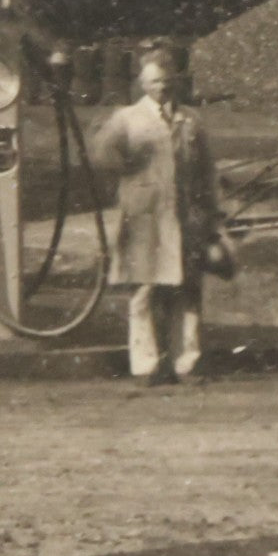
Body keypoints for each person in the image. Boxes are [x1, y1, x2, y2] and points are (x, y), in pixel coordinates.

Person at [93, 50, 220, 386]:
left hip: (184, 216)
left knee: (187, 290)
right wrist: (129, 169)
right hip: (144, 219)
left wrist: (211, 214)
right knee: (145, 291)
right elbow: (101, 153)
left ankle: (185, 363)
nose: (160, 88)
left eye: (165, 81)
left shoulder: (191, 120)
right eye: (152, 82)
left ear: (174, 82)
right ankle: (146, 364)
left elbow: (207, 170)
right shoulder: (127, 118)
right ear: (141, 83)